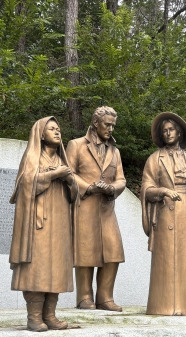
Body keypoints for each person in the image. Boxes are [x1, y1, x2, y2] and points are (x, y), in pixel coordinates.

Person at [9, 117, 78, 331]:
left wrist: (69, 180)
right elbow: (25, 184)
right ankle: (34, 316)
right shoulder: (32, 157)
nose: (57, 132)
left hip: (59, 223)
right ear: (40, 133)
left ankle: (50, 315)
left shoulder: (61, 159)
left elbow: (74, 193)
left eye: (59, 129)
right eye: (52, 129)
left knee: (56, 266)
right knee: (37, 266)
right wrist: (54, 174)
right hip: (38, 222)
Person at [140, 112, 186, 315]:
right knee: (166, 258)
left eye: (171, 130)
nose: (168, 133)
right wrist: (163, 191)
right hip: (165, 214)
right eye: (164, 131)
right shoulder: (155, 159)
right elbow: (146, 189)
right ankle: (164, 305)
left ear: (179, 133)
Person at [66, 106, 126, 311]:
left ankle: (105, 297)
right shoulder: (76, 145)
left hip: (107, 207)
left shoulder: (114, 151)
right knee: (85, 251)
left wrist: (112, 188)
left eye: (113, 126)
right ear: (95, 123)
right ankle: (84, 297)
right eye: (107, 125)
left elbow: (122, 180)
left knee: (113, 250)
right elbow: (69, 173)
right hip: (85, 205)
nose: (110, 129)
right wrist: (87, 187)